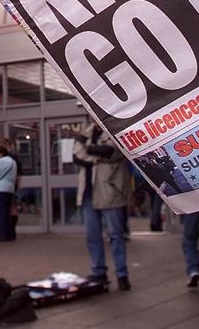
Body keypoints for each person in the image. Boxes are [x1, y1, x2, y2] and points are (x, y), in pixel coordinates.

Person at [73, 122, 131, 291]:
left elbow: (113, 153)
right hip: (88, 192)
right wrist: (97, 154)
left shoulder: (114, 130)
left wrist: (90, 150)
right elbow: (77, 156)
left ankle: (122, 274)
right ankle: (98, 271)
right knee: (92, 236)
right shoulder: (86, 132)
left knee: (116, 235)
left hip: (109, 191)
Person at [0, 144, 18, 242]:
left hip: (1, 188)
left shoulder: (1, 161)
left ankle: (2, 234)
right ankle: (9, 234)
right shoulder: (13, 162)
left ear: (0, 153)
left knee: (1, 213)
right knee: (7, 212)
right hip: (11, 188)